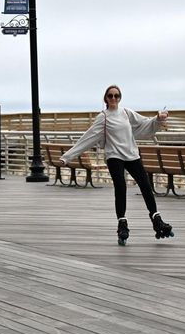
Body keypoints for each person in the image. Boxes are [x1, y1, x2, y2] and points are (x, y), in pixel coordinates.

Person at [60, 85, 173, 245]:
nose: (114, 99)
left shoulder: (126, 113)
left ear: (120, 97)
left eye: (117, 96)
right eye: (110, 96)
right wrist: (67, 156)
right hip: (114, 156)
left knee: (146, 186)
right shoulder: (103, 117)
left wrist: (159, 119)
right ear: (105, 99)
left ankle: (156, 219)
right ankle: (122, 224)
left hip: (131, 154)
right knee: (121, 187)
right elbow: (88, 137)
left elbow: (145, 123)